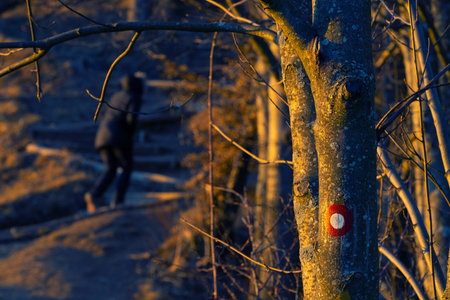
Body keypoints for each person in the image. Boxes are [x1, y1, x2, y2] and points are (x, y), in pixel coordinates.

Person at [85, 74, 143, 213]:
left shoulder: (116, 96)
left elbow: (103, 114)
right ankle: (118, 201)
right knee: (126, 168)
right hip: (119, 137)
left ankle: (94, 194)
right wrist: (129, 134)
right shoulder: (134, 97)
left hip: (102, 136)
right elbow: (131, 119)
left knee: (110, 169)